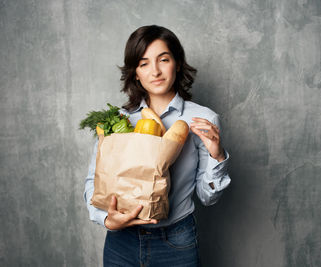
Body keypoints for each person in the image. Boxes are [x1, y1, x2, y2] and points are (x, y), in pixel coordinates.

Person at [84, 25, 231, 266]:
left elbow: (208, 197)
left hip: (176, 242)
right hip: (121, 242)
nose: (155, 71)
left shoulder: (202, 120)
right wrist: (107, 219)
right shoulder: (117, 120)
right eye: (144, 63)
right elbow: (93, 181)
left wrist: (218, 156)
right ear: (135, 73)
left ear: (178, 63)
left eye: (163, 59)